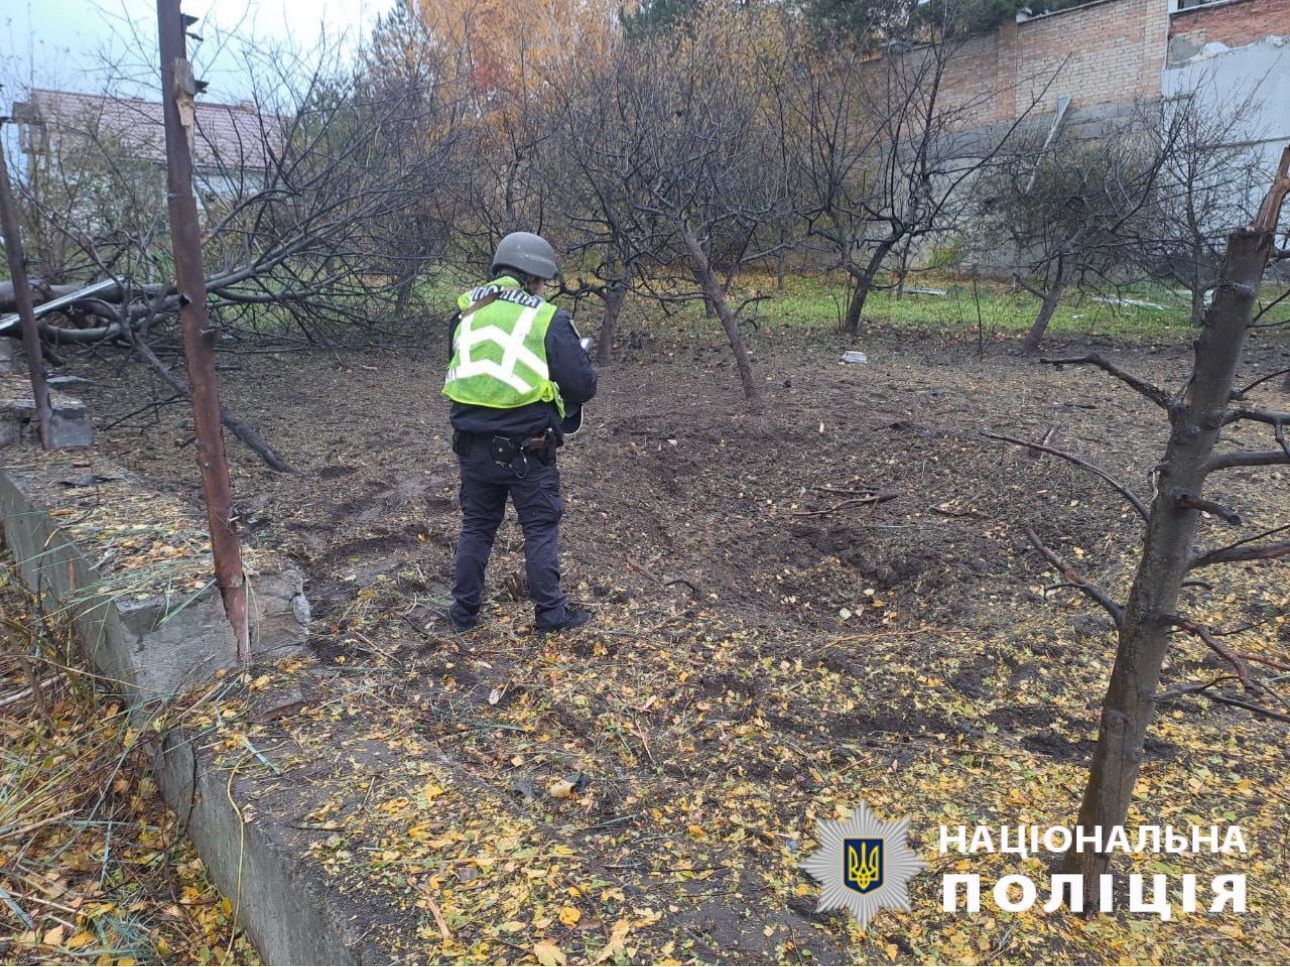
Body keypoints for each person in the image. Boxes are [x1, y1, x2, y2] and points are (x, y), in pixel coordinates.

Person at [442, 232, 598, 634]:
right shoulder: (546, 317)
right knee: (540, 527)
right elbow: (583, 386)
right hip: (528, 449)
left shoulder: (466, 312)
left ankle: (462, 617)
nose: (544, 289)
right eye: (543, 281)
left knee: (476, 527)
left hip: (472, 448)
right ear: (532, 277)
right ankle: (551, 616)